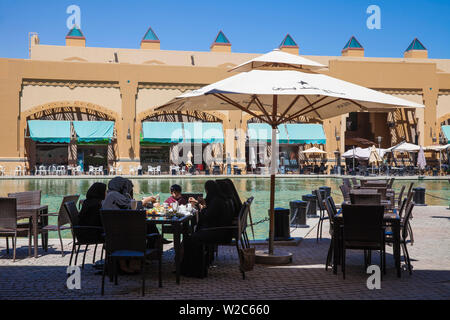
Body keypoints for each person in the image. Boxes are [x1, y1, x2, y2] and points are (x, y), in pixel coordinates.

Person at [101, 177, 159, 274]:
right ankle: (136, 260)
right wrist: (147, 200)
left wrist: (148, 204)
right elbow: (131, 205)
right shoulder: (114, 195)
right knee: (144, 230)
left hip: (112, 234)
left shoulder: (110, 195)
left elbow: (129, 204)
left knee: (146, 228)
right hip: (119, 235)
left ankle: (136, 260)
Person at [180, 180, 233, 278]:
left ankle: (193, 270)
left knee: (190, 239)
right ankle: (190, 268)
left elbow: (206, 217)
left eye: (207, 191)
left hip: (216, 231)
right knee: (190, 238)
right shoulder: (219, 199)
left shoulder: (217, 201)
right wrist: (202, 204)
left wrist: (202, 206)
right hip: (220, 230)